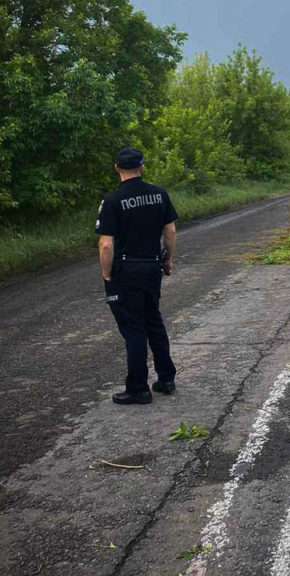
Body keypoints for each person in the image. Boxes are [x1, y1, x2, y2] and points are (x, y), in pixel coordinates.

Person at [96, 147, 179, 405]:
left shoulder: (112, 201)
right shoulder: (159, 194)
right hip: (152, 268)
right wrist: (168, 258)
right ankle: (166, 378)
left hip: (126, 271)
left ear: (117, 168)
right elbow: (171, 231)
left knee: (133, 330)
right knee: (153, 321)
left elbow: (106, 245)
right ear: (142, 168)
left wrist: (107, 274)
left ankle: (137, 388)